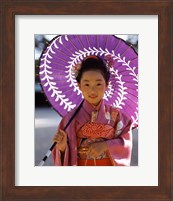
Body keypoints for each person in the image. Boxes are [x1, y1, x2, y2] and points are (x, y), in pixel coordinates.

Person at [52, 55, 133, 166]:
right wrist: (62, 147)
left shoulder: (118, 116)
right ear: (79, 86)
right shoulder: (69, 119)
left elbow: (126, 142)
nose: (92, 90)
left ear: (107, 85)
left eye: (98, 84)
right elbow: (63, 155)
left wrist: (106, 145)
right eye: (86, 84)